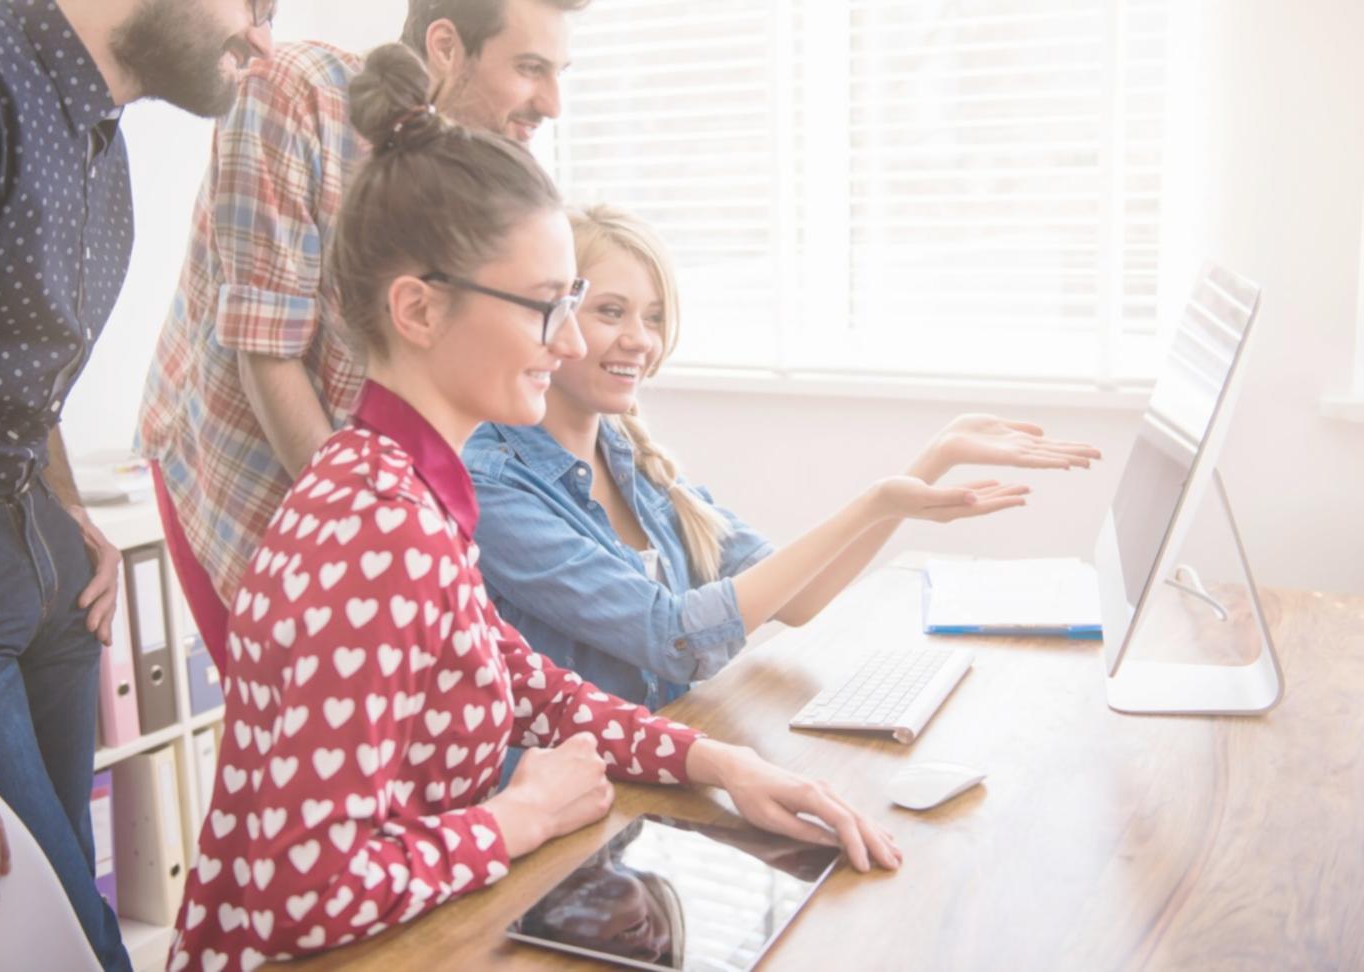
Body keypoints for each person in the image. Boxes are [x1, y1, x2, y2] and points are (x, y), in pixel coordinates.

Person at [170, 45, 901, 971]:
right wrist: (516, 819)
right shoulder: (376, 527)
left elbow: (527, 686)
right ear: (418, 311)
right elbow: (298, 894)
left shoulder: (402, 485)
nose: (569, 344)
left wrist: (719, 763)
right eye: (544, 307)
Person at [0, 0, 272, 967]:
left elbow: (14, 367)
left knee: (67, 910)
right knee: (64, 936)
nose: (261, 37)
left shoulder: (97, 136)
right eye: (256, 4)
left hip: (44, 559)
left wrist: (65, 507)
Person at [464, 204, 1103, 710]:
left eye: (654, 317)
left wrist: (931, 462)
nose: (640, 340)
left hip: (668, 762)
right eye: (611, 312)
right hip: (576, 796)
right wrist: (875, 502)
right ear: (555, 316)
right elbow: (674, 638)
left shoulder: (633, 460)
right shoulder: (492, 485)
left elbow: (797, 599)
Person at [135, 0, 586, 674]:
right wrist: (367, 535)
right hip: (245, 464)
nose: (551, 103)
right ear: (445, 46)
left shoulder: (481, 166)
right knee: (300, 710)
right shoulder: (295, 92)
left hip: (376, 490)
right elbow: (268, 353)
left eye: (559, 73)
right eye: (529, 69)